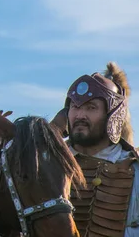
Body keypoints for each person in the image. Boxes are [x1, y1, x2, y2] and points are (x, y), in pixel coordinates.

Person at [52, 62, 138, 237]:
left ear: (112, 116)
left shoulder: (134, 170)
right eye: (75, 107)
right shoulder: (49, 165)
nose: (80, 115)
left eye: (91, 108)